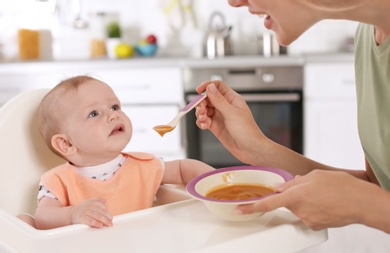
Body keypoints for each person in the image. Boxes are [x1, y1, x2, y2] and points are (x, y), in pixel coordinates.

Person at [195, 0, 390, 234]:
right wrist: (257, 149)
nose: (234, 2)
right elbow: (379, 186)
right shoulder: (368, 34)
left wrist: (362, 206)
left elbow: (372, 199)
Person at [34, 75, 214, 230]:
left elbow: (183, 169)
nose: (113, 115)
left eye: (114, 107)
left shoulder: (143, 166)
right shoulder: (58, 181)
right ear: (66, 144)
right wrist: (73, 214)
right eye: (94, 113)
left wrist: (217, 182)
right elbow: (42, 218)